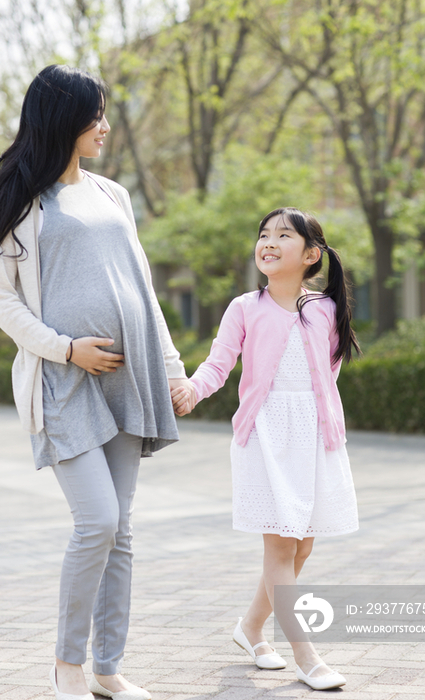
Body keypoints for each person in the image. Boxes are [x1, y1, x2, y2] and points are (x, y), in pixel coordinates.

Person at [0, 64, 194, 700]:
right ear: (63, 120)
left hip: (127, 377)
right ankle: (67, 667)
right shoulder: (19, 201)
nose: (105, 127)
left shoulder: (113, 195)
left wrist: (171, 370)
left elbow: (143, 290)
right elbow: (5, 302)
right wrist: (66, 349)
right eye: (95, 116)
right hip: (63, 381)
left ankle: (108, 670)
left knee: (123, 530)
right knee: (98, 522)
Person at [171, 207, 360, 691]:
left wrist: (321, 425)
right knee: (279, 543)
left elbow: (328, 376)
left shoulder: (326, 309)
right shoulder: (244, 307)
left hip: (315, 437)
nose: (268, 242)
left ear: (311, 254)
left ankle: (250, 628)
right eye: (263, 235)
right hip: (266, 437)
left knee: (301, 544)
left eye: (283, 235)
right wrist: (191, 390)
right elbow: (218, 364)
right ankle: (307, 655)